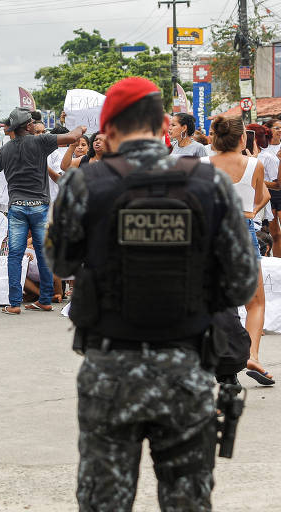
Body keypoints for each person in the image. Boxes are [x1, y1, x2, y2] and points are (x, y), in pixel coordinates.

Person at [46, 76, 258, 511]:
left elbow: (60, 265)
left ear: (107, 131)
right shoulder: (209, 185)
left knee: (104, 502)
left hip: (110, 371)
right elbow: (241, 281)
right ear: (164, 123)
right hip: (187, 367)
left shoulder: (84, 184)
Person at [0, 107, 84, 314]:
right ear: (28, 126)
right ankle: (45, 300)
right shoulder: (41, 141)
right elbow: (73, 136)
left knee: (15, 256)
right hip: (40, 207)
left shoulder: (3, 151)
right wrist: (80, 127)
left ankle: (14, 303)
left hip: (17, 207)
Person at [205, 116, 273, 386]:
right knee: (255, 302)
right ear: (243, 138)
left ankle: (223, 357)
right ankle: (252, 355)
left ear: (214, 138)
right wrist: (252, 212)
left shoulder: (200, 166)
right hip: (242, 230)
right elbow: (259, 198)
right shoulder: (254, 165)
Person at [263, 118, 281, 256]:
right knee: (275, 233)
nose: (280, 130)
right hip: (269, 191)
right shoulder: (263, 148)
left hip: (280, 190)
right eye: (276, 128)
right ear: (268, 130)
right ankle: (277, 261)